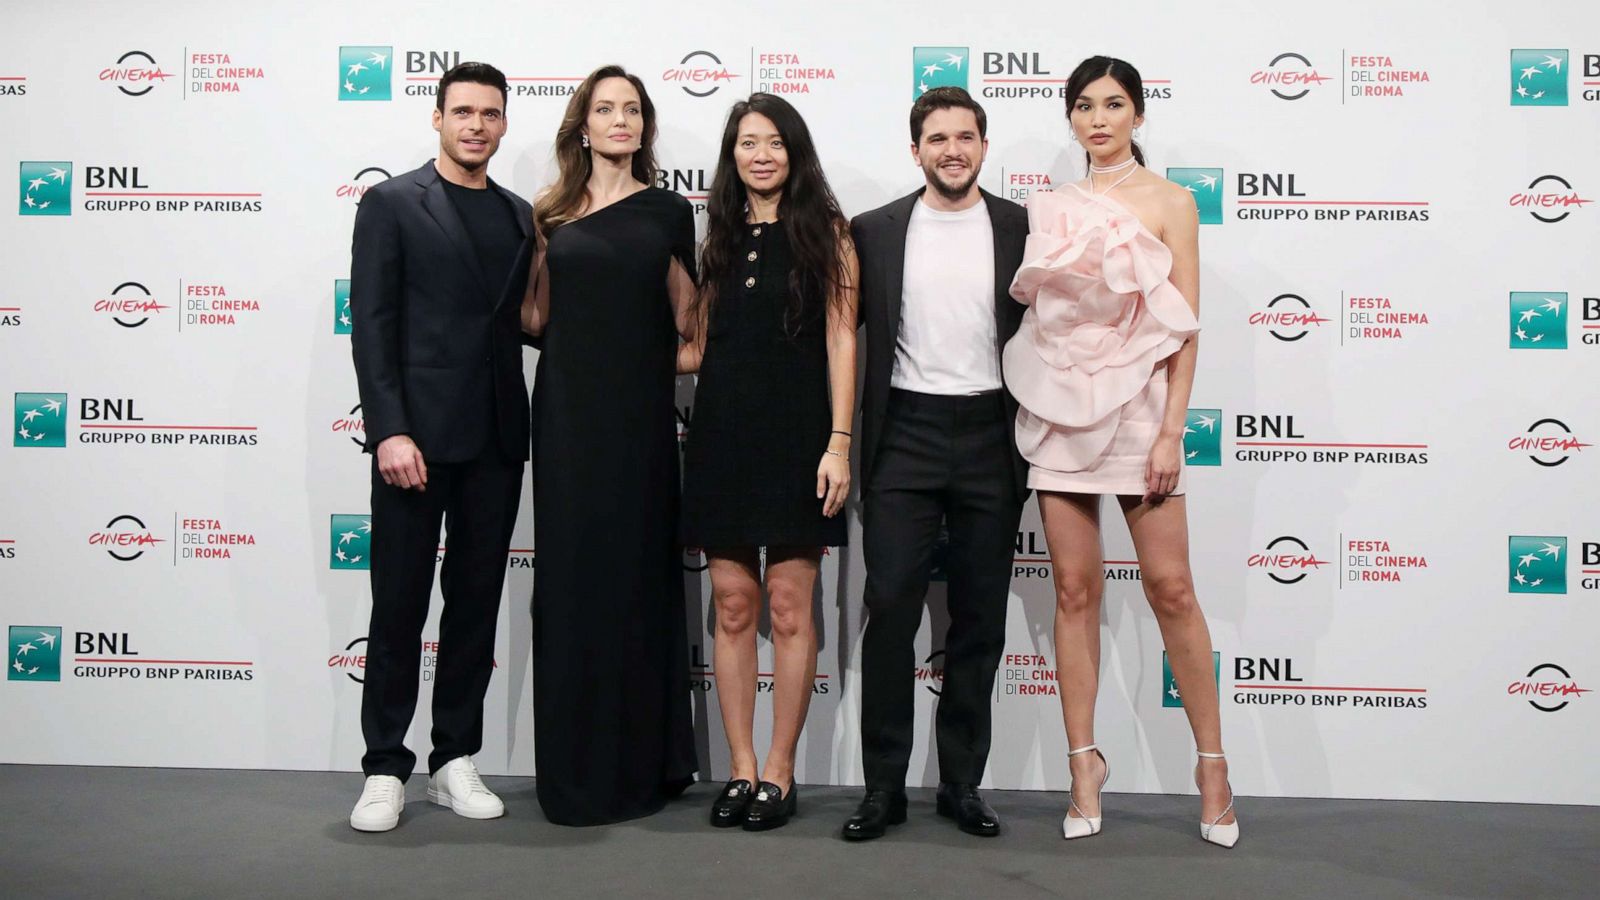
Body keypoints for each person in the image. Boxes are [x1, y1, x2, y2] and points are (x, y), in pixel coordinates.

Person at [1005, 56, 1238, 848]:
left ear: (1139, 113)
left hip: (1142, 417)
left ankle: (1212, 768)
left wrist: (1172, 429)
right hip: (1062, 411)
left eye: (1112, 104)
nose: (1097, 119)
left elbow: (1184, 325)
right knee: (1074, 590)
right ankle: (1083, 765)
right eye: (1082, 106)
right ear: (1070, 119)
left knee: (1172, 589)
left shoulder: (1173, 202)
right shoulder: (1051, 205)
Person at [347, 62, 532, 833]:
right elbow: (373, 321)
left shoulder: (522, 214)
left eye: (490, 114)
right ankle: (385, 765)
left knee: (475, 606)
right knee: (397, 605)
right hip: (413, 442)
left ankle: (453, 758)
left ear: (503, 124)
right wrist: (388, 427)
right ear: (438, 118)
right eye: (463, 112)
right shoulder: (391, 202)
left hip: (494, 439)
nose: (477, 126)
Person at [841, 87, 1030, 842]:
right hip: (904, 431)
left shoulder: (1023, 226)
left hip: (994, 431)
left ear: (984, 145)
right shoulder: (875, 230)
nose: (952, 149)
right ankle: (882, 787)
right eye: (937, 138)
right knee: (889, 610)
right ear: (913, 148)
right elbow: (840, 339)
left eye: (965, 136)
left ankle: (962, 785)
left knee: (980, 617)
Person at [520, 65, 699, 826]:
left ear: (644, 125)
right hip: (564, 420)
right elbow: (533, 318)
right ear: (582, 125)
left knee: (633, 581)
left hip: (640, 424)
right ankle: (573, 774)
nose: (620, 120)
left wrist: (638, 361)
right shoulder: (549, 213)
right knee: (570, 586)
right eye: (606, 108)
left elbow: (690, 332)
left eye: (632, 109)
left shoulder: (669, 212)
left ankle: (642, 768)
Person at [677, 93, 858, 832]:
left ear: (795, 151)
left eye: (775, 142)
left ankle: (780, 772)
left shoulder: (829, 235)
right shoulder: (715, 237)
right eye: (747, 143)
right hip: (721, 435)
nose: (761, 154)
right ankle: (740, 767)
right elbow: (695, 347)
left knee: (788, 607)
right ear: (732, 156)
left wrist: (839, 442)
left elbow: (844, 343)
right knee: (731, 607)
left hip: (799, 439)